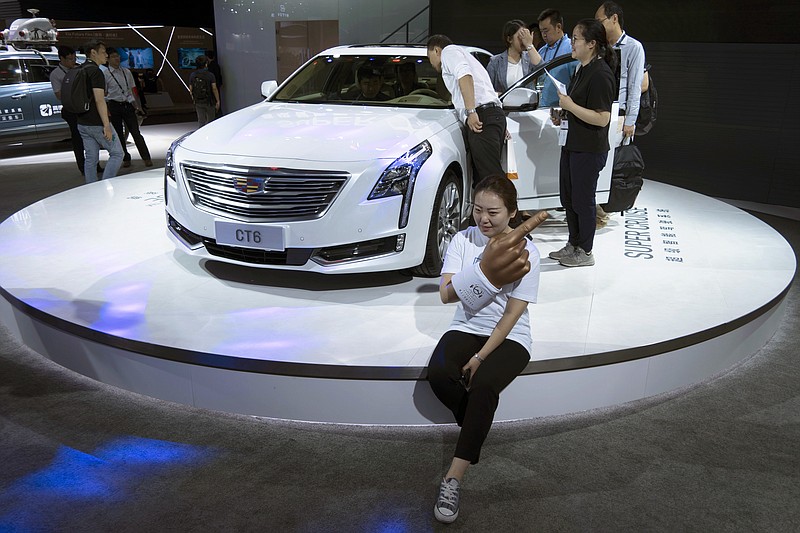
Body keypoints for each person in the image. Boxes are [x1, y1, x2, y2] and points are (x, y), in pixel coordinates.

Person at [428, 176, 549, 524]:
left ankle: (453, 478)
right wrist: (486, 271)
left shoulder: (530, 252)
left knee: (482, 388)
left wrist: (481, 357)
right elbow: (447, 294)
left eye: (493, 212)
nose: (484, 218)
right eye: (478, 209)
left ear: (511, 211)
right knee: (439, 374)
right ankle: (475, 430)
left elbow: (513, 314)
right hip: (465, 326)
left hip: (510, 337)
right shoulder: (462, 240)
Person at [549, 19, 617, 268]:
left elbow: (602, 118)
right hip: (572, 144)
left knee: (583, 201)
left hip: (589, 149)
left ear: (592, 44)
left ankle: (585, 251)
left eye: (576, 38)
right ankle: (573, 244)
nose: (572, 43)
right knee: (569, 199)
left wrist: (570, 106)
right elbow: (580, 109)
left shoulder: (601, 74)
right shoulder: (581, 69)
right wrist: (563, 114)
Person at [427, 34, 506, 185]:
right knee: (486, 175)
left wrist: (471, 111)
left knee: (490, 177)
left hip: (481, 117)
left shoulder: (448, 52)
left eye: (429, 55)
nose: (430, 63)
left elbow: (464, 75)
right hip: (491, 115)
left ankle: (512, 209)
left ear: (436, 50)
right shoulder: (468, 58)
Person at [596, 1, 645, 141]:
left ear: (614, 18)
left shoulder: (633, 47)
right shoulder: (599, 47)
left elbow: (635, 86)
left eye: (600, 21)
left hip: (619, 115)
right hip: (599, 112)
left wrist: (630, 121)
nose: (598, 27)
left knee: (617, 160)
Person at [76, 40, 124, 183]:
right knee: (117, 153)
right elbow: (99, 100)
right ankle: (105, 185)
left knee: (91, 158)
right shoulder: (96, 72)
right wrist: (107, 125)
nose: (106, 56)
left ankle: (91, 188)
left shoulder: (80, 69)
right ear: (93, 52)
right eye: (103, 52)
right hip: (97, 123)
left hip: (82, 122)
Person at [49, 45, 94, 176]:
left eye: (74, 58)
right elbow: (58, 95)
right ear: (61, 58)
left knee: (90, 137)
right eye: (69, 59)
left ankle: (94, 164)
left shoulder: (79, 69)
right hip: (71, 109)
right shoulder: (56, 74)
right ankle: (82, 167)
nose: (73, 61)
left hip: (84, 107)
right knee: (78, 138)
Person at [104, 47, 152, 168]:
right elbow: (104, 94)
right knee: (119, 134)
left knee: (136, 132)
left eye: (118, 56)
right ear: (108, 59)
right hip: (114, 105)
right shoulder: (105, 74)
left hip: (127, 105)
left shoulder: (126, 72)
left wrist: (138, 106)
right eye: (114, 56)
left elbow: (133, 90)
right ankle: (126, 158)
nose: (117, 58)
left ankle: (146, 157)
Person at [527, 8, 575, 107]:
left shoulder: (571, 48)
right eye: (541, 31)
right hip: (541, 107)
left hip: (562, 108)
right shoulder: (541, 51)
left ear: (558, 27)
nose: (544, 35)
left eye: (546, 30)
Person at [486, 19, 537, 94]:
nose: (523, 40)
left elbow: (542, 72)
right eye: (520, 37)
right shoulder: (495, 62)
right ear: (509, 39)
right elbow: (487, 90)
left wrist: (530, 45)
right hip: (504, 104)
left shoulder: (530, 57)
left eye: (525, 36)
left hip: (527, 104)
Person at [189, 55, 220, 127]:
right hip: (209, 101)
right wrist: (218, 100)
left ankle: (201, 136)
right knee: (211, 121)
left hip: (198, 101)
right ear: (206, 63)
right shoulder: (210, 75)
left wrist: (194, 99)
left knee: (201, 121)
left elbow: (190, 89)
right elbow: (214, 88)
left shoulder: (193, 75)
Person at [205, 49, 223, 115]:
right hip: (217, 86)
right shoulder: (216, 65)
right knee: (217, 102)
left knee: (214, 103)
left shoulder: (210, 67)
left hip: (212, 87)